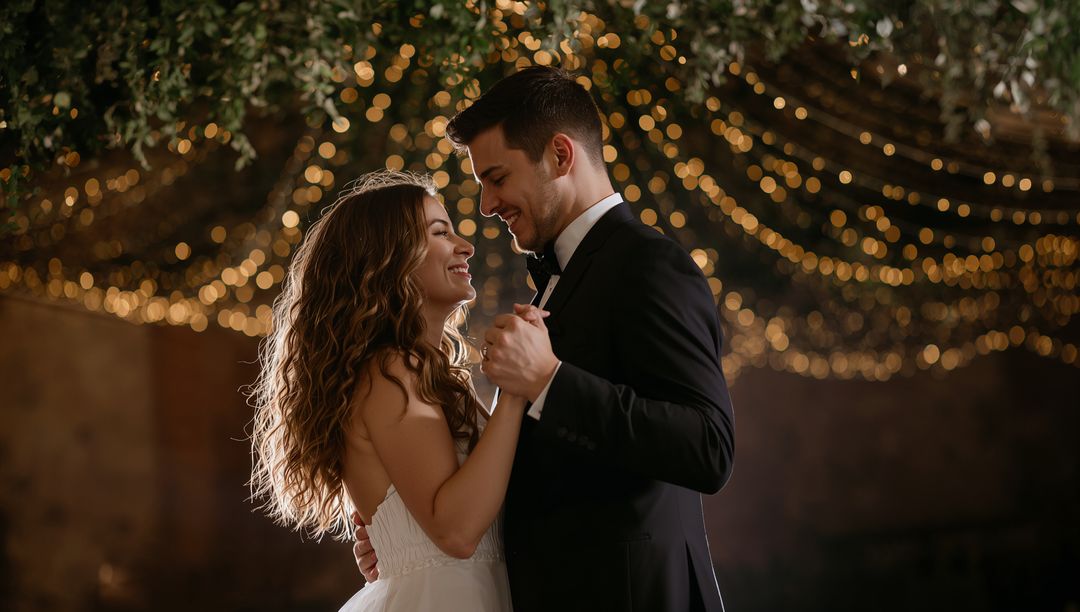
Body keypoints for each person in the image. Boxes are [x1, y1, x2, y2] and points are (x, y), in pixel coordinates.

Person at [355, 66, 736, 611]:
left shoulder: (648, 266)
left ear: (560, 155)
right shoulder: (556, 282)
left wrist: (548, 381)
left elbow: (708, 448)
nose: (486, 205)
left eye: (497, 177)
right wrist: (399, 526)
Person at [249, 170, 543, 611]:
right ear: (388, 258)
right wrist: (516, 390)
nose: (465, 246)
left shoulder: (431, 375)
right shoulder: (391, 370)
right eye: (440, 233)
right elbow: (457, 530)